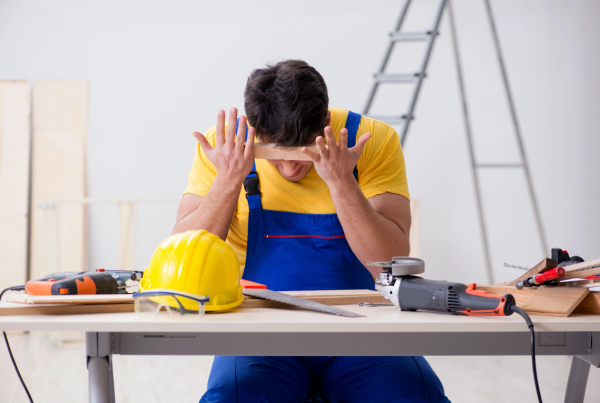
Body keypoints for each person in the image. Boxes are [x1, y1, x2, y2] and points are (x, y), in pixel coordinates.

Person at [173, 60, 450, 403]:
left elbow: (388, 262)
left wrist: (341, 181)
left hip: (362, 327)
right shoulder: (225, 148)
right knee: (232, 398)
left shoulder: (371, 141)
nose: (289, 169)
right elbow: (182, 251)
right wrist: (228, 178)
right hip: (260, 330)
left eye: (301, 153)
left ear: (325, 123)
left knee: (414, 396)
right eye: (276, 154)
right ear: (256, 132)